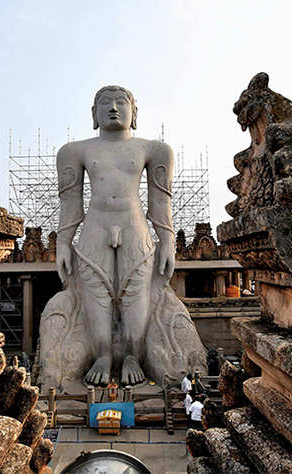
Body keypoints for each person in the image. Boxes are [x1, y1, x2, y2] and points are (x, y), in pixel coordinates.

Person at [56, 86, 175, 386]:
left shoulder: (154, 150)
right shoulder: (74, 151)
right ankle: (103, 355)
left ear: (134, 113)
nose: (113, 108)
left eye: (121, 102)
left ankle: (134, 355)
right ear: (93, 114)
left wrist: (168, 241)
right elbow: (70, 204)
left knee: (136, 290)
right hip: (95, 227)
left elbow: (161, 202)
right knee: (96, 292)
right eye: (105, 103)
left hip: (134, 226)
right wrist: (62, 243)